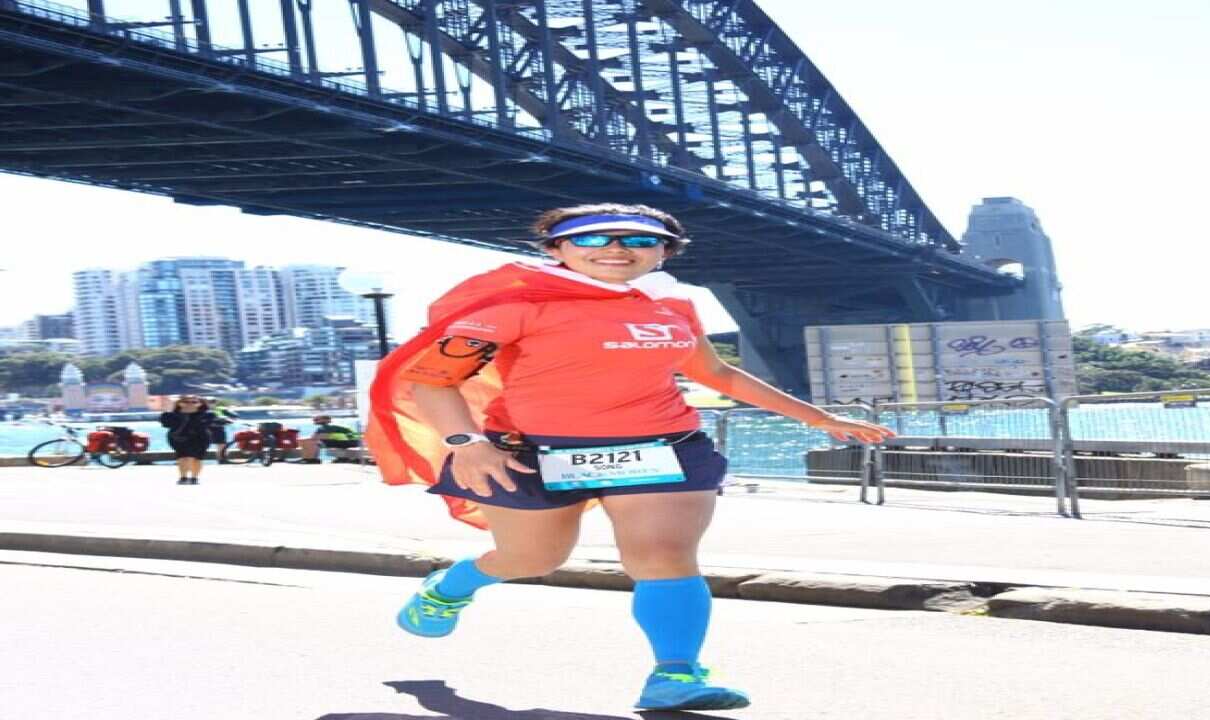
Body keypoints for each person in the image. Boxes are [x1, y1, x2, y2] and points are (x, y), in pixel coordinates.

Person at [366, 203, 894, 712]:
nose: (616, 249)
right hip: (532, 452)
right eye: (594, 238)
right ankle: (450, 588)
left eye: (640, 240)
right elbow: (432, 381)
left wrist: (819, 418)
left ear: (664, 251)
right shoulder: (516, 306)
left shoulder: (672, 305)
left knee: (663, 556)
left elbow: (720, 376)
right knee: (533, 559)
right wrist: (467, 444)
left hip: (660, 446)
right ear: (558, 248)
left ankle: (675, 674)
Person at [159, 395, 216, 485]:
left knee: (197, 458)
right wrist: (172, 409)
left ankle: (194, 477)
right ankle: (183, 477)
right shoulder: (172, 414)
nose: (190, 404)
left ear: (200, 404)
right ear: (179, 403)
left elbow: (209, 424)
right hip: (179, 438)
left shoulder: (207, 414)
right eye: (185, 402)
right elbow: (165, 423)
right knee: (182, 457)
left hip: (200, 438)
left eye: (194, 402)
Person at [207, 399, 239, 463]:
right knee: (219, 446)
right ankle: (221, 460)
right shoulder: (204, 410)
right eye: (210, 402)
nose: (212, 403)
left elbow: (234, 416)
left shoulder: (220, 409)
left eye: (213, 402)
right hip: (208, 429)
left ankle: (222, 460)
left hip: (219, 429)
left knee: (222, 445)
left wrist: (228, 418)